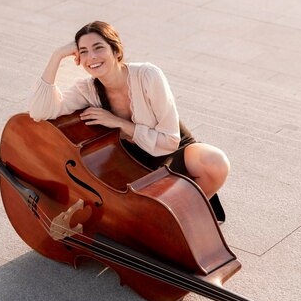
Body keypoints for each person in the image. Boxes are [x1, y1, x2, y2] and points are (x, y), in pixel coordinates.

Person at [28, 21, 229, 221]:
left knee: (215, 162)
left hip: (169, 148)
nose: (92, 57)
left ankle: (186, 217)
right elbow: (40, 111)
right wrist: (57, 55)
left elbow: (170, 141)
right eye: (84, 52)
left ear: (116, 51)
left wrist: (119, 123)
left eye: (98, 48)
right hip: (129, 159)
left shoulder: (148, 76)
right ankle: (161, 220)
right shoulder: (86, 89)